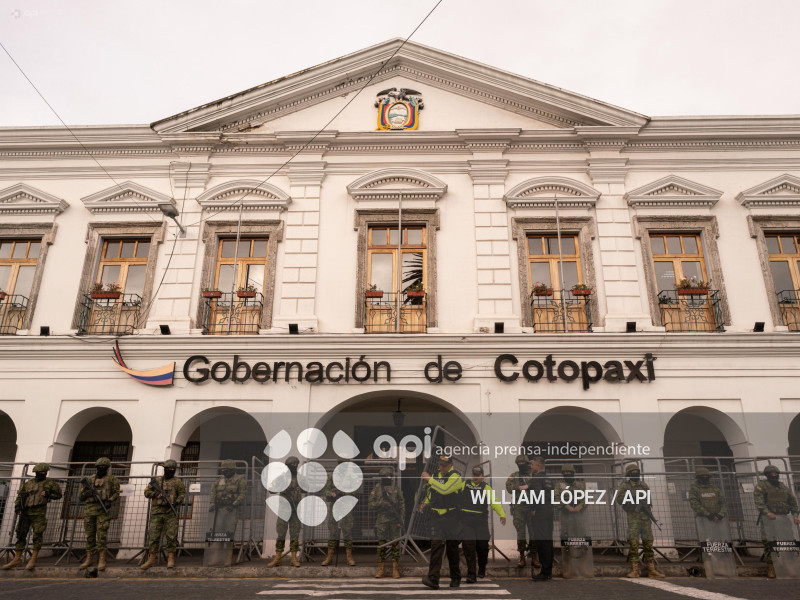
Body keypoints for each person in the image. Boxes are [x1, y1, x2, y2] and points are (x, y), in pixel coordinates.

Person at [2, 463, 62, 571]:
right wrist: (18, 506)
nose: (41, 474)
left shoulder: (50, 484)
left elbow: (58, 495)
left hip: (39, 513)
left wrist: (48, 494)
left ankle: (33, 558)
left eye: (43, 472)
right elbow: (20, 495)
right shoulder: (28, 483)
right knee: (20, 534)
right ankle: (17, 558)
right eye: (39, 473)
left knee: (37, 535)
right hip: (26, 512)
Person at [420, 455, 464, 590]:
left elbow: (445, 490)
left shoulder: (456, 476)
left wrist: (430, 479)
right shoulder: (436, 475)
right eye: (440, 464)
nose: (441, 467)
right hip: (436, 516)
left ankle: (455, 577)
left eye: (444, 465)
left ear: (451, 464)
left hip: (451, 517)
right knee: (436, 546)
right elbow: (433, 492)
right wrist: (425, 502)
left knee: (452, 548)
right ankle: (433, 578)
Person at [615, 463, 664, 578]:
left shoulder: (644, 485)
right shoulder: (624, 486)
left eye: (637, 471)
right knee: (634, 542)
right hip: (633, 517)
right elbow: (619, 499)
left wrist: (646, 505)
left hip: (645, 518)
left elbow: (648, 500)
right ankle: (635, 569)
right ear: (629, 474)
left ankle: (651, 569)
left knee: (648, 542)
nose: (635, 473)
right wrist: (631, 498)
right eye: (633, 472)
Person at [754, 465, 800, 578]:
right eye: (772, 474)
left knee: (787, 543)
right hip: (769, 520)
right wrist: (767, 512)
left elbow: (793, 502)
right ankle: (771, 567)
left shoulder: (783, 487)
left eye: (776, 474)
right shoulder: (761, 486)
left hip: (784, 518)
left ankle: (790, 566)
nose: (774, 476)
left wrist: (795, 515)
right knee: (770, 543)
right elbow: (759, 501)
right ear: (767, 475)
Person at [461, 465, 506, 582]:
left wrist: (502, 514)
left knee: (482, 547)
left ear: (482, 476)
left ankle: (481, 568)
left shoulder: (486, 487)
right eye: (474, 475)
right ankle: (471, 574)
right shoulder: (464, 484)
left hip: (480, 522)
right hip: (466, 521)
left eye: (478, 475)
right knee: (468, 547)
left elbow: (494, 502)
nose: (475, 477)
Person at [141, 459, 186, 570]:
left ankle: (171, 558)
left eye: (173, 469)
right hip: (157, 512)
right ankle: (152, 559)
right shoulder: (157, 481)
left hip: (170, 513)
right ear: (165, 469)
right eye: (169, 469)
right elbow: (146, 492)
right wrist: (156, 494)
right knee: (153, 536)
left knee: (171, 536)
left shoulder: (177, 482)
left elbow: (182, 494)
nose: (171, 471)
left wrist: (176, 502)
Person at [78, 457, 121, 572]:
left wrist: (110, 500)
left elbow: (117, 492)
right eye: (100, 467)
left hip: (102, 510)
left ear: (107, 468)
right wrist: (87, 493)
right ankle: (89, 558)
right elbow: (81, 497)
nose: (102, 469)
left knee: (101, 535)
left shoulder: (112, 480)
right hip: (90, 510)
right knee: (90, 535)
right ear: (96, 468)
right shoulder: (90, 480)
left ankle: (102, 559)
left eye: (104, 467)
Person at [322, 458, 362, 567]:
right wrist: (332, 494)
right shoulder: (331, 476)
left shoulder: (351, 477)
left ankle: (349, 557)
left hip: (346, 506)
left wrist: (345, 493)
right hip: (335, 506)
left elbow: (355, 489)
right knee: (333, 531)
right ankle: (329, 557)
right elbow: (325, 490)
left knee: (347, 531)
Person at [368, 466, 405, 578]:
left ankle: (395, 569)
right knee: (381, 545)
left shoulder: (396, 489)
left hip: (394, 520)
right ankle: (381, 569)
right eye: (385, 476)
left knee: (395, 545)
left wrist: (401, 520)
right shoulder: (377, 489)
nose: (387, 478)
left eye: (388, 476)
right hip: (382, 521)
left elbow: (402, 505)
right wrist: (380, 504)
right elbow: (370, 505)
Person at [267, 455, 303, 567]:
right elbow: (270, 488)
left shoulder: (300, 478)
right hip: (284, 510)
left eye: (296, 464)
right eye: (292, 464)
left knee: (294, 534)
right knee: (281, 534)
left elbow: (309, 487)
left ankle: (293, 558)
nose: (294, 466)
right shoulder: (282, 477)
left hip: (296, 509)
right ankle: (278, 558)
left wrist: (301, 488)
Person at [506, 454, 539, 569]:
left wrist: (528, 486)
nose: (521, 466)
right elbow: (509, 488)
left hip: (531, 506)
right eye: (519, 464)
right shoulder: (514, 476)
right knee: (521, 533)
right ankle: (521, 557)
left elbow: (538, 486)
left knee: (533, 532)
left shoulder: (533, 475)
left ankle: (534, 557)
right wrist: (519, 487)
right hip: (519, 507)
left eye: (522, 464)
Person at [528, 457, 554, 581]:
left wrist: (533, 508)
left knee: (542, 542)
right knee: (548, 542)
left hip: (540, 513)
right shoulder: (549, 478)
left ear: (538, 466)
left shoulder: (536, 478)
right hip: (549, 511)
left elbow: (537, 495)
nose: (531, 466)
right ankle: (548, 571)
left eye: (532, 464)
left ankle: (544, 572)